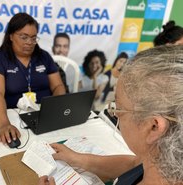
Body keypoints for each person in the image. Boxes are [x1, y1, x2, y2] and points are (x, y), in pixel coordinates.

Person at [39, 45, 183, 185]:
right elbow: (134, 165)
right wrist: (79, 159)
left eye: (119, 108)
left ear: (154, 127)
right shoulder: (157, 160)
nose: (115, 113)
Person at [0, 13, 66, 145]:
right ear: (10, 36)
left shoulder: (44, 57)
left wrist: (56, 109)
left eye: (33, 38)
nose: (29, 42)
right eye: (24, 37)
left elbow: (58, 86)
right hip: (11, 116)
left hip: (43, 116)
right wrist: (4, 125)